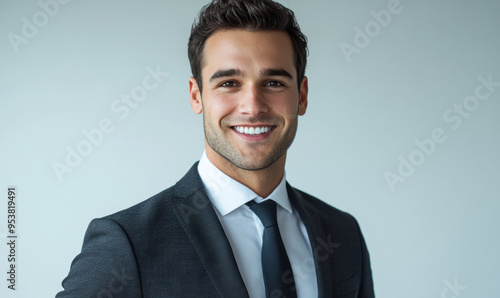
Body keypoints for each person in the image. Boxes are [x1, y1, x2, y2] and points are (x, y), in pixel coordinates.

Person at [56, 0, 375, 297]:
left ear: (302, 95)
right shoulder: (126, 242)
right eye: (228, 83)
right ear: (197, 96)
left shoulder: (343, 233)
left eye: (274, 83)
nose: (252, 106)